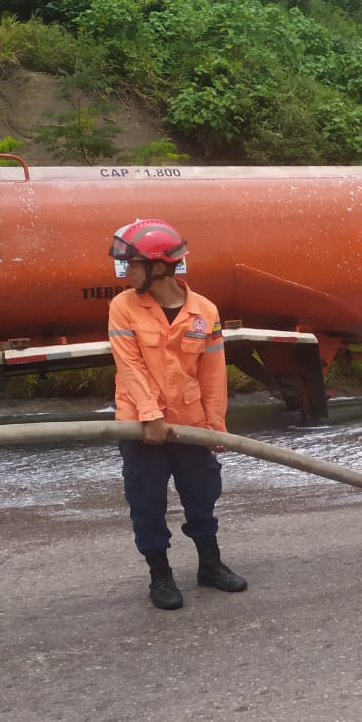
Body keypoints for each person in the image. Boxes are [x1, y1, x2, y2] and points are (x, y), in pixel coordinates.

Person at [107, 218, 247, 610]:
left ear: (160, 267)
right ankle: (160, 575)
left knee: (202, 497)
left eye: (132, 263)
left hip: (191, 425)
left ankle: (210, 565)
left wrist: (216, 426)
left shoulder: (204, 311)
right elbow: (129, 366)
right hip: (139, 425)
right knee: (146, 502)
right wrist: (150, 416)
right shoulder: (123, 307)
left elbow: (213, 373)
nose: (125, 271)